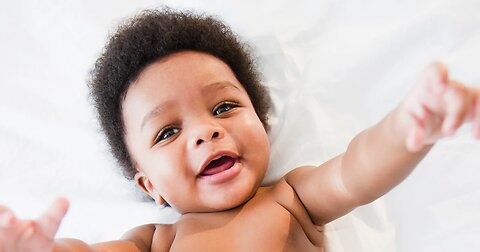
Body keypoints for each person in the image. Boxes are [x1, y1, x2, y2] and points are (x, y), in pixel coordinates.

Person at [1, 8, 479, 252]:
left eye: (225, 106)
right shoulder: (153, 242)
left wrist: (408, 125)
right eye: (167, 132)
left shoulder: (291, 199)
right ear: (150, 185)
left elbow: (355, 170)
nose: (205, 132)